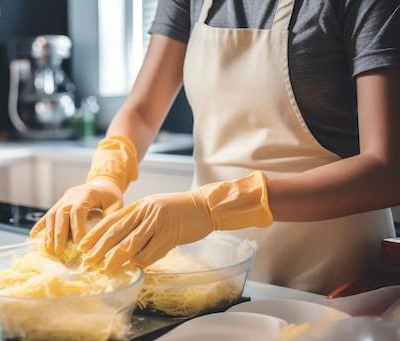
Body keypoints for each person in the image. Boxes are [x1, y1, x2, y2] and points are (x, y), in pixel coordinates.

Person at [31, 0, 400, 295]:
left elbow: (387, 170)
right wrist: (105, 176)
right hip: (213, 269)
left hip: (332, 278)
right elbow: (142, 110)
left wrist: (211, 206)